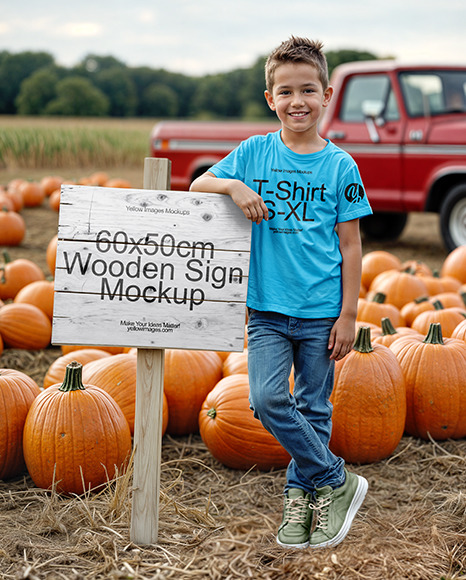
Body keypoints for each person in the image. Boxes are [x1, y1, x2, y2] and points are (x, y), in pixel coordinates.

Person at [190, 36, 372, 549]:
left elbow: (352, 246)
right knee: (269, 399)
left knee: (314, 409)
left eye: (308, 90)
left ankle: (303, 495)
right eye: (286, 91)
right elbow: (195, 187)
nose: (298, 101)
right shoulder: (253, 153)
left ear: (327, 94)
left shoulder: (341, 167)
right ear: (271, 98)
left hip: (322, 313)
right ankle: (336, 478)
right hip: (267, 309)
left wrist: (349, 314)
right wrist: (232, 186)